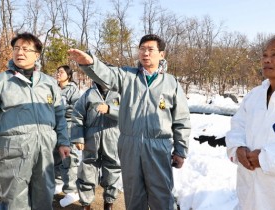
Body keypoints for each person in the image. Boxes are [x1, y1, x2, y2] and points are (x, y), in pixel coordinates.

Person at [68, 34, 191, 210]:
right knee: (133, 194)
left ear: (162, 54)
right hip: (129, 144)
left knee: (161, 194)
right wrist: (90, 63)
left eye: (150, 49)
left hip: (158, 145)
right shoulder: (127, 76)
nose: (145, 53)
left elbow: (181, 119)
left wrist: (180, 150)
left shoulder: (171, 83)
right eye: (142, 49)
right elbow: (108, 75)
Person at [0, 32, 70, 210]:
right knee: (14, 199)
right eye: (16, 48)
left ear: (37, 55)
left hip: (45, 150)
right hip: (12, 152)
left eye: (25, 49)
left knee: (44, 196)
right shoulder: (2, 81)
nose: (19, 53)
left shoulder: (48, 82)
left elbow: (59, 114)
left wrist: (63, 141)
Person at [225, 33, 275, 210]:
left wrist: (265, 158)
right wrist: (238, 148)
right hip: (249, 192)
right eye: (264, 55)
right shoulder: (254, 95)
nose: (267, 60)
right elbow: (237, 127)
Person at [71, 81, 121, 210]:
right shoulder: (89, 94)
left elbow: (129, 113)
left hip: (114, 137)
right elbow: (77, 116)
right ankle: (86, 203)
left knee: (113, 168)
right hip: (91, 138)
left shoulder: (120, 93)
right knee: (87, 168)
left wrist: (111, 110)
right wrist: (78, 138)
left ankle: (109, 203)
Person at [53, 65, 81, 207]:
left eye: (62, 72)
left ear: (68, 75)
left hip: (68, 126)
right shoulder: (53, 87)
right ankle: (58, 183)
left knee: (68, 158)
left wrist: (63, 111)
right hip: (54, 126)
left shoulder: (73, 90)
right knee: (55, 156)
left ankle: (72, 190)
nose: (58, 74)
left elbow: (78, 109)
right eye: (57, 72)